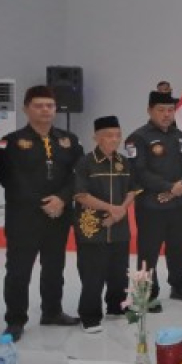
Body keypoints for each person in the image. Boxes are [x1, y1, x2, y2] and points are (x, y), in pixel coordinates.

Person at [0, 85, 83, 341]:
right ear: (26, 109)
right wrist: (44, 202)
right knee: (18, 271)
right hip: (24, 217)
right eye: (38, 105)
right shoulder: (9, 142)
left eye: (50, 105)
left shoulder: (69, 140)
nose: (45, 110)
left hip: (59, 215)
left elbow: (77, 174)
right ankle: (15, 320)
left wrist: (62, 199)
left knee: (54, 267)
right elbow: (10, 179)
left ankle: (52, 312)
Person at [127, 91, 182, 308]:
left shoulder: (179, 135)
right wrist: (169, 187)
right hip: (151, 204)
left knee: (180, 246)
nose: (167, 114)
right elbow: (139, 171)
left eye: (170, 110)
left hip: (180, 203)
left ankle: (178, 285)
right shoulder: (138, 138)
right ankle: (145, 294)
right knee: (148, 251)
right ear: (149, 110)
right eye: (161, 110)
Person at [71, 116, 138, 334]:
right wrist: (112, 208)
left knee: (119, 272)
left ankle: (116, 308)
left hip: (119, 226)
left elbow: (132, 190)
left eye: (118, 135)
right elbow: (81, 195)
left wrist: (120, 211)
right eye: (109, 135)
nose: (114, 140)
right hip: (93, 226)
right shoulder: (85, 162)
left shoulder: (124, 162)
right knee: (93, 273)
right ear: (96, 138)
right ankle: (89, 316)